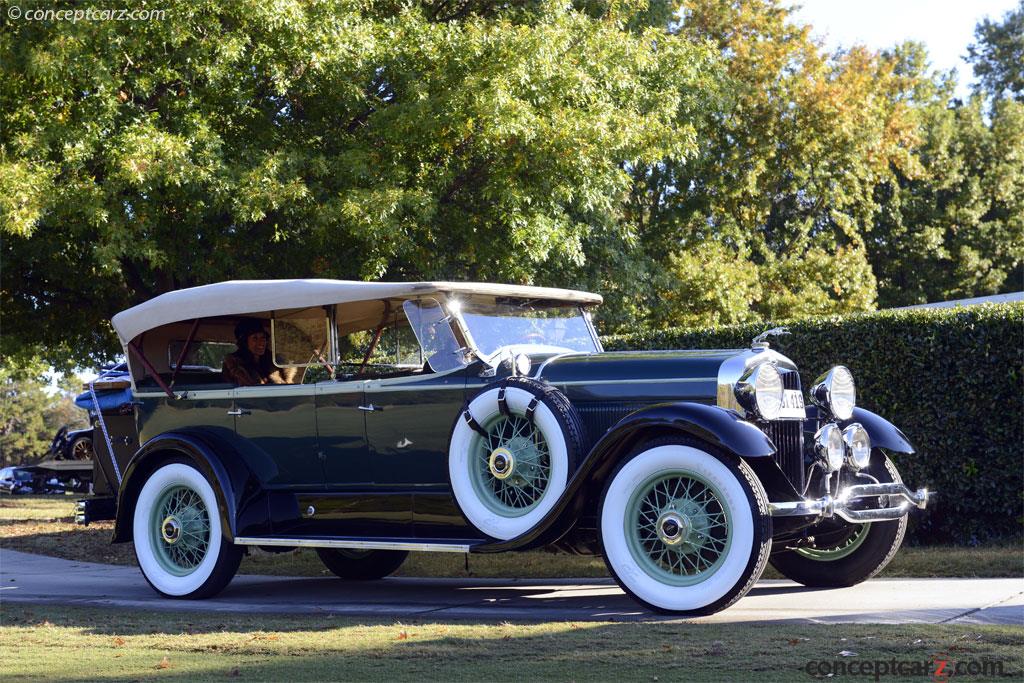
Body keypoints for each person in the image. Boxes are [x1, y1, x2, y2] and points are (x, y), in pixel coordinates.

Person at [221, 318, 295, 386]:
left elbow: (288, 386)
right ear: (244, 342)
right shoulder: (234, 364)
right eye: (255, 338)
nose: (261, 342)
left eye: (263, 337)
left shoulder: (274, 361)